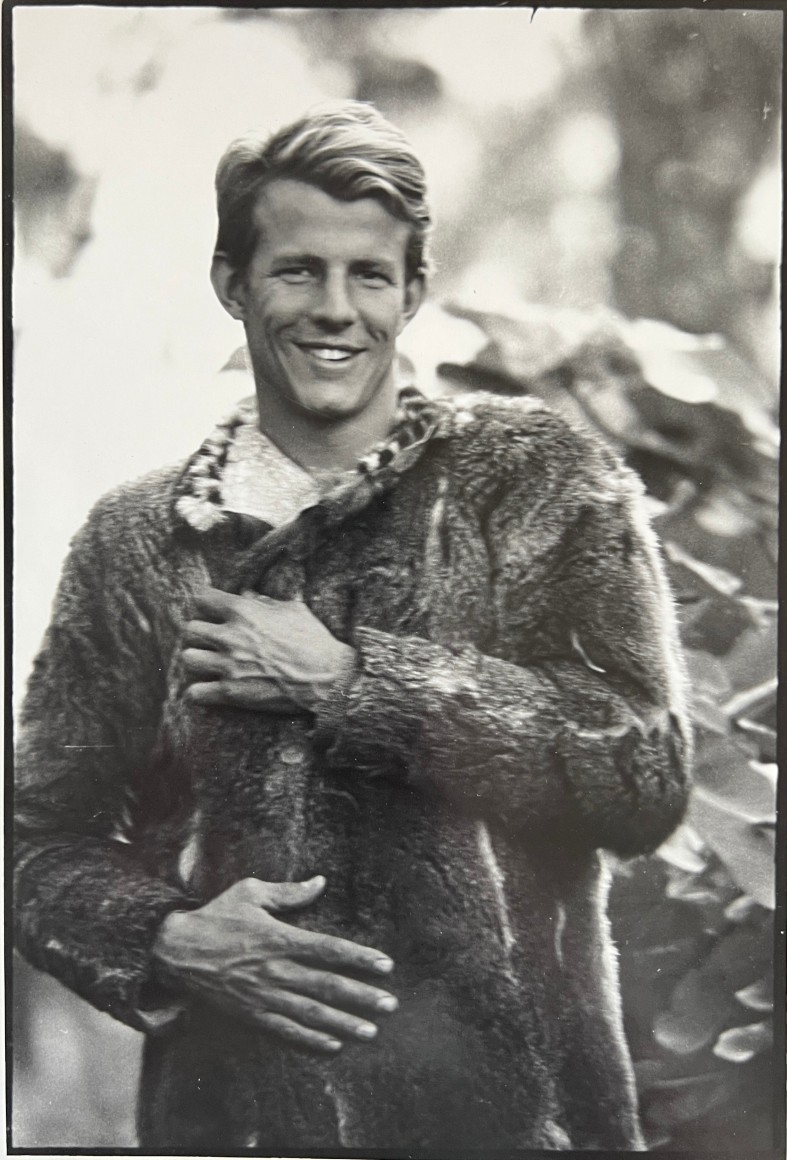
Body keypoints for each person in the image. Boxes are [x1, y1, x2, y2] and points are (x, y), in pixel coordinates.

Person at [15, 101, 691, 1153]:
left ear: (412, 290)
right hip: (228, 1126)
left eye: (369, 275)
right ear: (232, 282)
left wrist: (352, 685)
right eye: (297, 270)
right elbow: (40, 840)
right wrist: (168, 936)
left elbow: (644, 774)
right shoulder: (138, 539)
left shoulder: (533, 476)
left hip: (519, 1126)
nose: (335, 308)